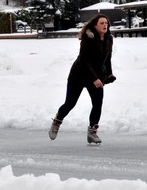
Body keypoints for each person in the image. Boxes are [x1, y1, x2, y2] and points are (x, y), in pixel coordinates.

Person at [49, 14, 116, 144]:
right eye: (101, 23)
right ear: (95, 25)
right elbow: (84, 61)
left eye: (106, 23)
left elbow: (108, 59)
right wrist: (94, 78)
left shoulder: (109, 39)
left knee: (97, 103)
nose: (105, 25)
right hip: (79, 75)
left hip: (96, 76)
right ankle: (57, 121)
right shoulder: (88, 38)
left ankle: (92, 132)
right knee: (70, 103)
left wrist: (109, 74)